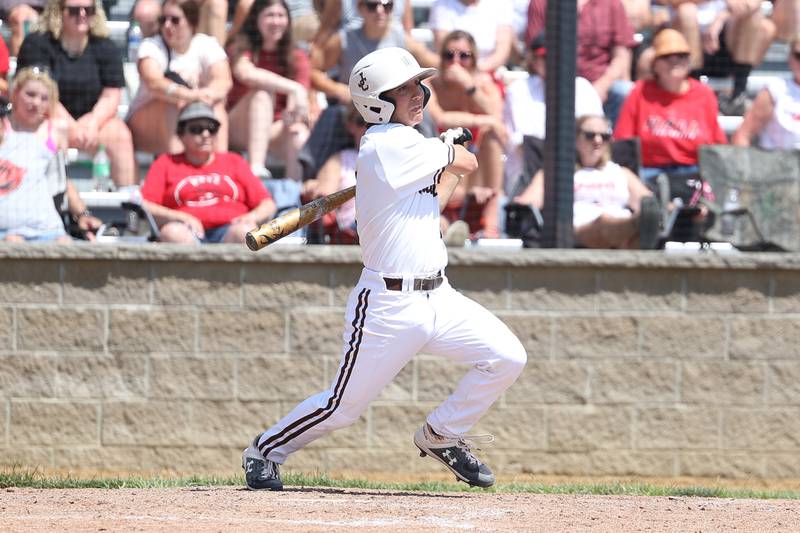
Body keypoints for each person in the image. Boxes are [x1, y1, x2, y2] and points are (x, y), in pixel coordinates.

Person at [242, 47, 527, 491]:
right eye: (405, 88)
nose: (419, 94)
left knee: (507, 357)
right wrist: (450, 149)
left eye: (418, 85)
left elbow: (439, 200)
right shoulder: (383, 145)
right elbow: (467, 163)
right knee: (342, 407)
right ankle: (264, 451)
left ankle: (442, 434)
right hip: (388, 306)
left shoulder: (410, 148)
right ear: (377, 99)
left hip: (440, 297)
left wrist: (444, 154)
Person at [17, 0, 138, 188]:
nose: (82, 14)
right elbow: (39, 92)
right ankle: (55, 203)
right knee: (52, 133)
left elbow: (111, 94)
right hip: (48, 119)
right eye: (74, 10)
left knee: (120, 135)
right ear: (59, 12)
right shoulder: (38, 43)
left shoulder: (105, 46)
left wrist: (92, 123)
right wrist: (72, 128)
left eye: (88, 10)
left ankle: (129, 209)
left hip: (94, 124)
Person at [140, 101, 277, 244]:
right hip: (185, 230)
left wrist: (251, 218)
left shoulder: (234, 161)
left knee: (246, 232)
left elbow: (267, 204)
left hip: (231, 230)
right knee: (173, 233)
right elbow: (146, 204)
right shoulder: (165, 163)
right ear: (181, 135)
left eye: (211, 128)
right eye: (196, 129)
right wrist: (178, 217)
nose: (205, 134)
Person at [515, 115, 659, 249]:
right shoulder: (555, 173)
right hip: (576, 231)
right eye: (590, 136)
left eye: (604, 136)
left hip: (622, 229)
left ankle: (635, 231)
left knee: (636, 227)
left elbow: (648, 206)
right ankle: (635, 228)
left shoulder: (622, 173)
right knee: (603, 222)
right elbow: (527, 205)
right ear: (575, 138)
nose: (598, 141)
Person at [0, 66, 102, 242]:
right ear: (15, 93)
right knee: (13, 241)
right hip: (8, 225)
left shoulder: (55, 130)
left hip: (45, 224)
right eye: (30, 94)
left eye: (44, 98)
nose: (36, 102)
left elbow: (61, 181)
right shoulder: (2, 127)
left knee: (64, 244)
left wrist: (83, 214)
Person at [614, 28, 727, 183]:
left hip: (693, 172)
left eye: (681, 56)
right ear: (654, 64)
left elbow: (717, 144)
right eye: (666, 57)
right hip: (649, 172)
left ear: (689, 62)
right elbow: (623, 141)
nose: (674, 62)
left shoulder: (704, 94)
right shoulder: (639, 92)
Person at [426, 30, 507, 238]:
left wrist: (469, 86)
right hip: (440, 158)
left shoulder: (483, 84)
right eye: (448, 55)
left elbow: (496, 115)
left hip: (474, 162)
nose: (455, 62)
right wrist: (482, 120)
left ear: (474, 59)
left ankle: (491, 221)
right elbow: (440, 118)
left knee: (493, 137)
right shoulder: (431, 84)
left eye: (464, 56)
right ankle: (447, 227)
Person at [503, 32, 604, 194]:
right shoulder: (519, 90)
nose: (554, 63)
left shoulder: (584, 89)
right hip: (530, 174)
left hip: (581, 170)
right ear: (535, 62)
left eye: (559, 57)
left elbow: (598, 136)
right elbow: (523, 144)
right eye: (546, 58)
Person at [127, 0, 232, 155]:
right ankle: (177, 170)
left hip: (191, 117)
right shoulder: (151, 46)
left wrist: (206, 95)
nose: (167, 26)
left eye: (175, 20)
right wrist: (190, 96)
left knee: (216, 108)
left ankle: (220, 170)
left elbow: (224, 81)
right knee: (174, 103)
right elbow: (155, 83)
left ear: (191, 22)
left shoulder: (206, 44)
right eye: (163, 20)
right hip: (146, 126)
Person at [227, 0, 312, 181]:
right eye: (269, 15)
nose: (276, 21)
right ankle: (256, 169)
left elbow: (300, 99)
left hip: (274, 128)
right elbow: (246, 73)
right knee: (262, 95)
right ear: (255, 20)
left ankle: (292, 193)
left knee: (298, 133)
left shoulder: (297, 56)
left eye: (281, 16)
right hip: (237, 127)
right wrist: (293, 87)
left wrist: (293, 114)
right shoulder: (240, 47)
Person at [649, 1, 775, 115]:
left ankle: (738, 95)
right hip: (685, 46)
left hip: (726, 44)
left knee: (755, 17)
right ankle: (694, 94)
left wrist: (720, 18)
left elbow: (753, 3)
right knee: (687, 12)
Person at [526, 0, 637, 124]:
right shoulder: (541, 2)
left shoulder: (611, 3)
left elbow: (621, 57)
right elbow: (534, 52)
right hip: (553, 83)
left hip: (601, 84)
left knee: (625, 91)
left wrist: (599, 88)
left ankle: (610, 141)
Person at [732, 35, 800, 148]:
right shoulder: (776, 90)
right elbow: (743, 135)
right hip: (779, 162)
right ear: (790, 58)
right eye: (799, 56)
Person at [428, 0, 514, 73]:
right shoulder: (442, 4)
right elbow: (445, 49)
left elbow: (502, 52)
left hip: (489, 74)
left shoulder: (502, 3)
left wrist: (477, 71)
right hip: (452, 72)